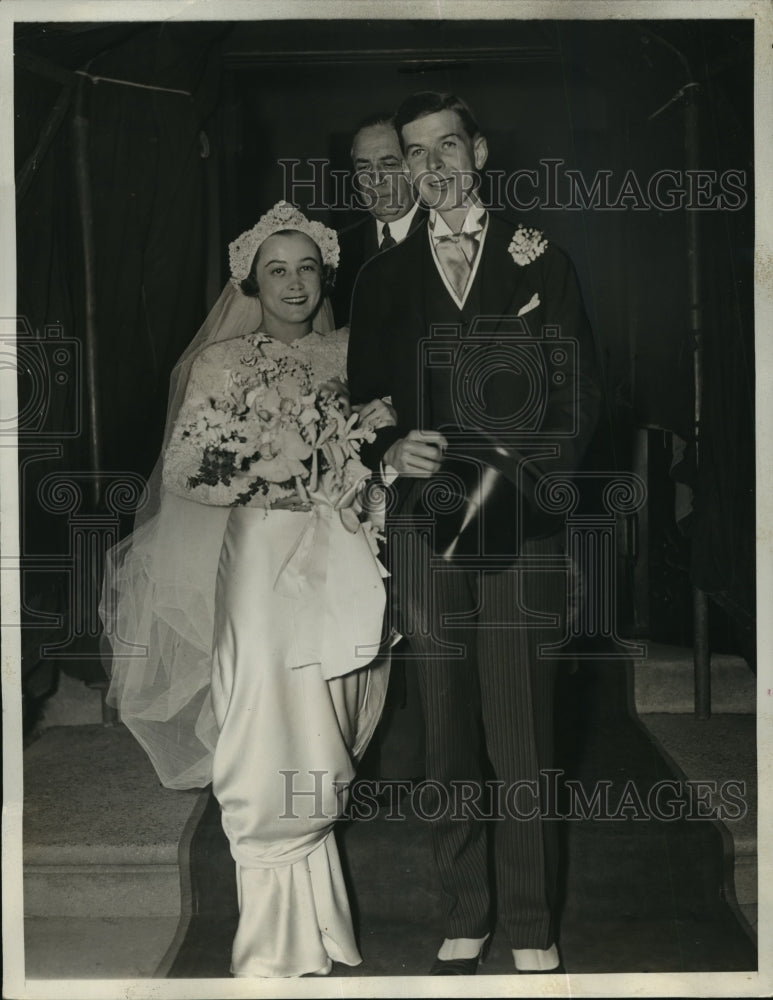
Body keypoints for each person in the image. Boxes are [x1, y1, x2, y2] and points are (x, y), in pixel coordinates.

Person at [101, 201, 393, 978]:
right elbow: (186, 469)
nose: (293, 283)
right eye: (276, 269)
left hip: (338, 558)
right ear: (249, 282)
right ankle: (268, 938)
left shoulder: (353, 353)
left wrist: (358, 476)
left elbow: (380, 448)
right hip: (260, 567)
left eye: (306, 268)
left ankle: (323, 924)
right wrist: (263, 471)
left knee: (328, 720)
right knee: (266, 721)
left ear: (324, 275)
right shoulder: (219, 365)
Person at [347, 92, 601, 975]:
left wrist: (521, 487)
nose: (429, 167)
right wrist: (390, 444)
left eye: (445, 147)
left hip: (519, 527)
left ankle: (531, 923)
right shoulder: (380, 279)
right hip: (424, 529)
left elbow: (577, 402)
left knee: (522, 729)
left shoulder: (544, 263)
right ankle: (464, 910)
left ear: (479, 152)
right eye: (413, 154)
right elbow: (365, 400)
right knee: (446, 724)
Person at [331, 113, 426, 327]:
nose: (376, 180)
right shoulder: (335, 249)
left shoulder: (446, 235)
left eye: (389, 165)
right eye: (364, 168)